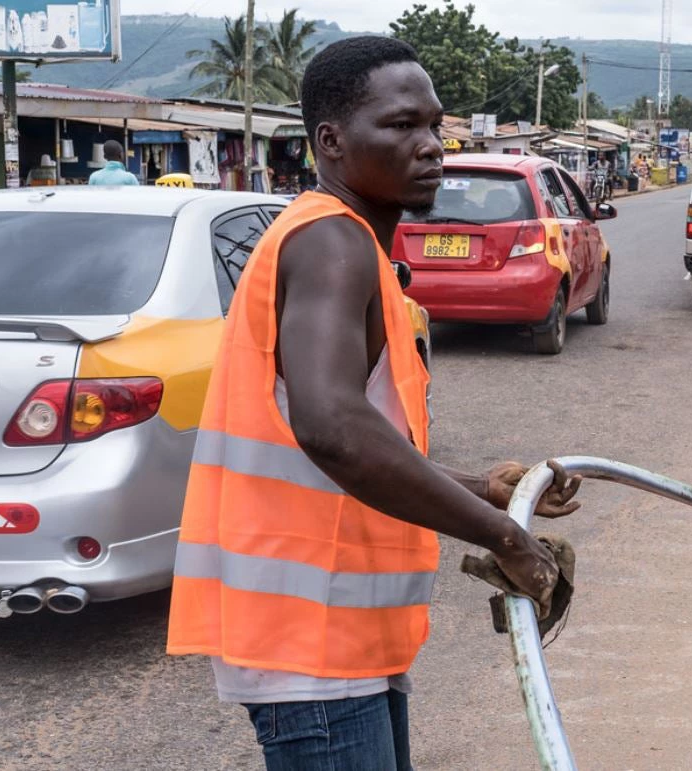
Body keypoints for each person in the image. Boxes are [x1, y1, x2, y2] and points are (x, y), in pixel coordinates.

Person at [166, 37, 581, 771]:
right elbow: (331, 427)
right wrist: (504, 537)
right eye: (400, 127)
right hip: (311, 649)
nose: (430, 147)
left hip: (337, 637)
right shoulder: (332, 241)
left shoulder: (346, 242)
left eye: (435, 127)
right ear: (330, 141)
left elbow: (362, 438)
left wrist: (483, 487)